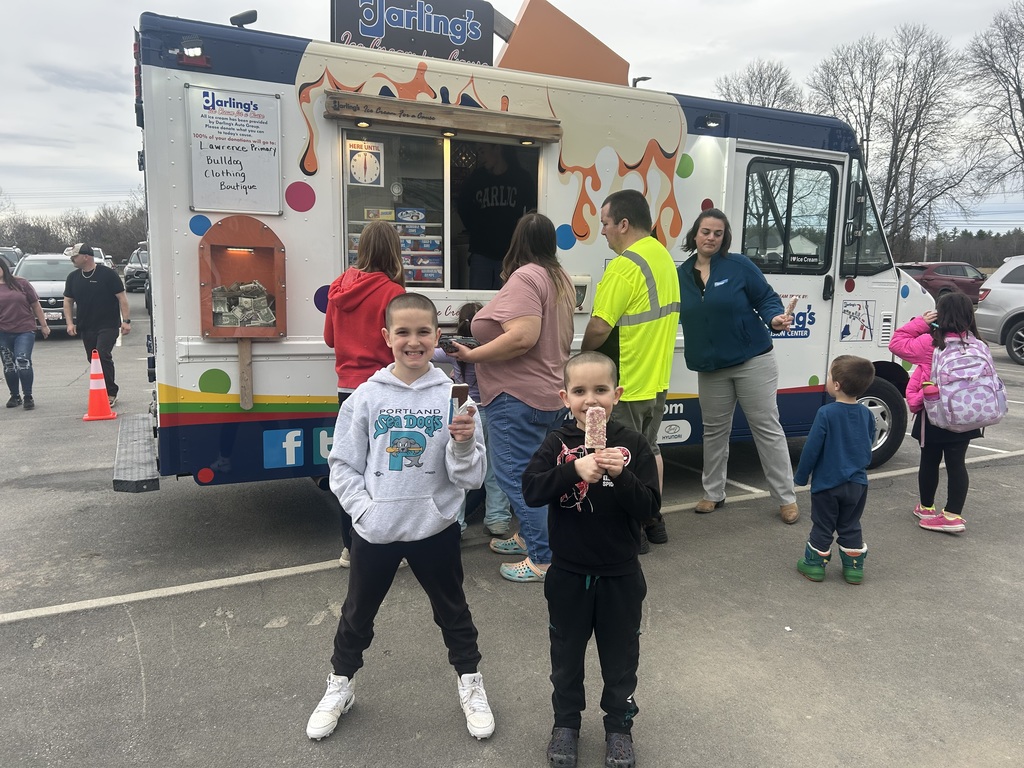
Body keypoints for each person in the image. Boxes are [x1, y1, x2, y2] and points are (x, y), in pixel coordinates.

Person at [307, 292, 493, 742]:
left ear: (437, 336)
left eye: (423, 332)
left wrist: (463, 445)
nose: (414, 341)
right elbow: (343, 465)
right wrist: (364, 511)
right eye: (403, 332)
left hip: (434, 527)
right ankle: (340, 685)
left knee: (453, 611)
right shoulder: (365, 398)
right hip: (377, 530)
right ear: (386, 336)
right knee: (357, 615)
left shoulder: (456, 397)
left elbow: (471, 477)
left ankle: (470, 682)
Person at [523, 351, 660, 768]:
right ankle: (566, 723)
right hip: (568, 573)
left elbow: (650, 509)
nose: (591, 400)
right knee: (566, 657)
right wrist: (572, 471)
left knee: (621, 660)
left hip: (620, 575)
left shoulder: (633, 444)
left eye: (601, 390)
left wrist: (622, 476)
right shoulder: (556, 443)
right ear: (565, 397)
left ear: (617, 395)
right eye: (580, 391)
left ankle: (619, 727)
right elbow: (531, 490)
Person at [452, 212, 575, 583]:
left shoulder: (526, 276)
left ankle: (543, 559)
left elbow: (523, 336)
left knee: (519, 480)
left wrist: (473, 354)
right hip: (549, 394)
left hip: (516, 397)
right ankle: (530, 537)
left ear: (517, 241)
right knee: (543, 476)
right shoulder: (560, 277)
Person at [676, 209, 799, 524]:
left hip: (752, 360)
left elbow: (767, 299)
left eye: (718, 233)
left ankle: (786, 498)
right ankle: (713, 493)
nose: (711, 238)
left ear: (724, 237)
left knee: (766, 428)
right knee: (714, 431)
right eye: (706, 232)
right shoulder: (680, 274)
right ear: (695, 234)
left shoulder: (739, 265)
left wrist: (774, 318)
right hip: (710, 367)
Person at [582, 189, 679, 549]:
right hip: (657, 378)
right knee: (649, 451)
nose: (603, 231)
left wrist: (582, 358)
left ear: (623, 224)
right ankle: (654, 520)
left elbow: (599, 326)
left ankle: (631, 531)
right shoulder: (663, 257)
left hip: (627, 379)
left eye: (605, 223)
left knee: (618, 458)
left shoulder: (624, 266)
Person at [324, 220, 406, 567]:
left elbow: (329, 339)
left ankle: (350, 548)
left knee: (351, 468)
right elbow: (400, 347)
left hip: (347, 389)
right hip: (382, 388)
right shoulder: (393, 293)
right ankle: (383, 544)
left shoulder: (338, 287)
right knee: (384, 468)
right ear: (394, 250)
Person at [888, 293, 984, 533]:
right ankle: (952, 514)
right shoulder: (976, 344)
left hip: (933, 412)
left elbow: (896, 343)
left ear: (940, 314)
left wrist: (921, 322)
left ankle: (927, 507)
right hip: (966, 413)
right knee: (957, 463)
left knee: (929, 460)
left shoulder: (931, 343)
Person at [792, 355, 876, 585]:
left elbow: (812, 448)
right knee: (850, 525)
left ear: (836, 385)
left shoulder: (826, 413)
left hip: (827, 484)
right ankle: (854, 569)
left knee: (823, 525)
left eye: (829, 375)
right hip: (857, 484)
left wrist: (801, 476)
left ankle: (814, 566)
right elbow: (868, 443)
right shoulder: (867, 414)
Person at [432, 301, 512, 536]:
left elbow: (429, 354)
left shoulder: (453, 351)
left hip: (462, 410)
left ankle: (456, 523)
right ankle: (497, 519)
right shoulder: (493, 349)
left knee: (460, 467)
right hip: (491, 409)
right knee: (494, 469)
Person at [457, 143, 537, 290]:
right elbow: (462, 205)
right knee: (477, 297)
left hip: (510, 252)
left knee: (508, 297)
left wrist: (522, 238)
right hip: (481, 251)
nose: (480, 158)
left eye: (482, 151)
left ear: (498, 148)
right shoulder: (477, 178)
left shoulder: (521, 178)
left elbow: (533, 212)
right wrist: (474, 228)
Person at [62, 243, 130, 407]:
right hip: (86, 325)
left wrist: (126, 321)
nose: (72, 259)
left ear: (86, 257)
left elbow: (122, 298)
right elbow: (68, 301)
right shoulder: (73, 277)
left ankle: (111, 392)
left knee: (102, 354)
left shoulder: (108, 274)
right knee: (92, 358)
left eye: (75, 256)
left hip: (108, 325)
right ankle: (101, 388)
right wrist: (70, 323)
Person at [0, 259, 50, 410]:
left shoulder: (21, 283)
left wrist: (44, 325)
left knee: (23, 361)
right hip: (3, 332)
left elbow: (35, 304)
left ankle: (28, 396)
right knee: (9, 365)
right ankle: (15, 396)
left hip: (24, 329)